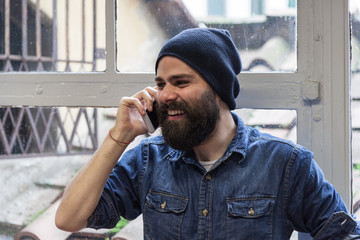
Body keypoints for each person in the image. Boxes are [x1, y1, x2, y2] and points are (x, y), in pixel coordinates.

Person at [55, 28, 360, 239]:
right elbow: (68, 218)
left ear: (218, 90)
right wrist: (118, 137)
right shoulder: (149, 159)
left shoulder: (286, 163)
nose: (165, 96)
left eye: (181, 82)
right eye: (161, 84)